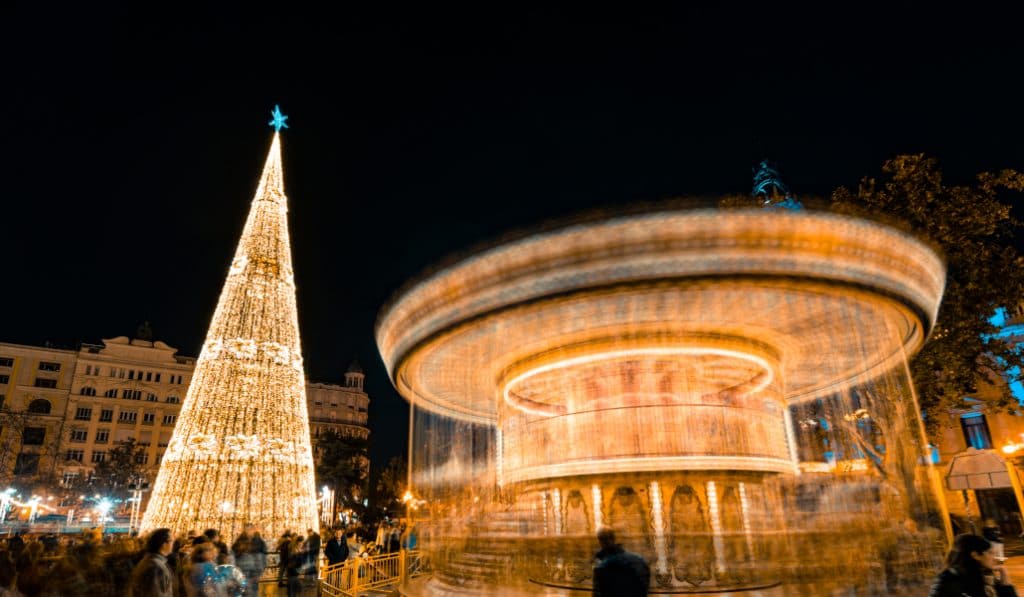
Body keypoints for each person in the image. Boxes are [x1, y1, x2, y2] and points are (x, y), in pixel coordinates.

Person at [929, 533, 1016, 597]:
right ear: (976, 555)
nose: (994, 558)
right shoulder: (950, 581)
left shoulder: (982, 575)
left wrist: (1005, 578)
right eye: (990, 553)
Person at [592, 526, 650, 597]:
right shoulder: (639, 560)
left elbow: (599, 593)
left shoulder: (602, 567)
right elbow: (644, 586)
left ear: (600, 541)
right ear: (614, 538)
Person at [128, 528, 175, 597]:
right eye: (171, 541)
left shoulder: (150, 561)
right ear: (163, 544)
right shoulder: (156, 567)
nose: (173, 544)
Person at [231, 523, 267, 597]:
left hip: (252, 574)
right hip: (243, 573)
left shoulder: (257, 542)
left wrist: (259, 572)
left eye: (251, 529)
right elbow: (233, 557)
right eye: (248, 529)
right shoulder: (239, 542)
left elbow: (261, 557)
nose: (249, 531)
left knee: (251, 592)